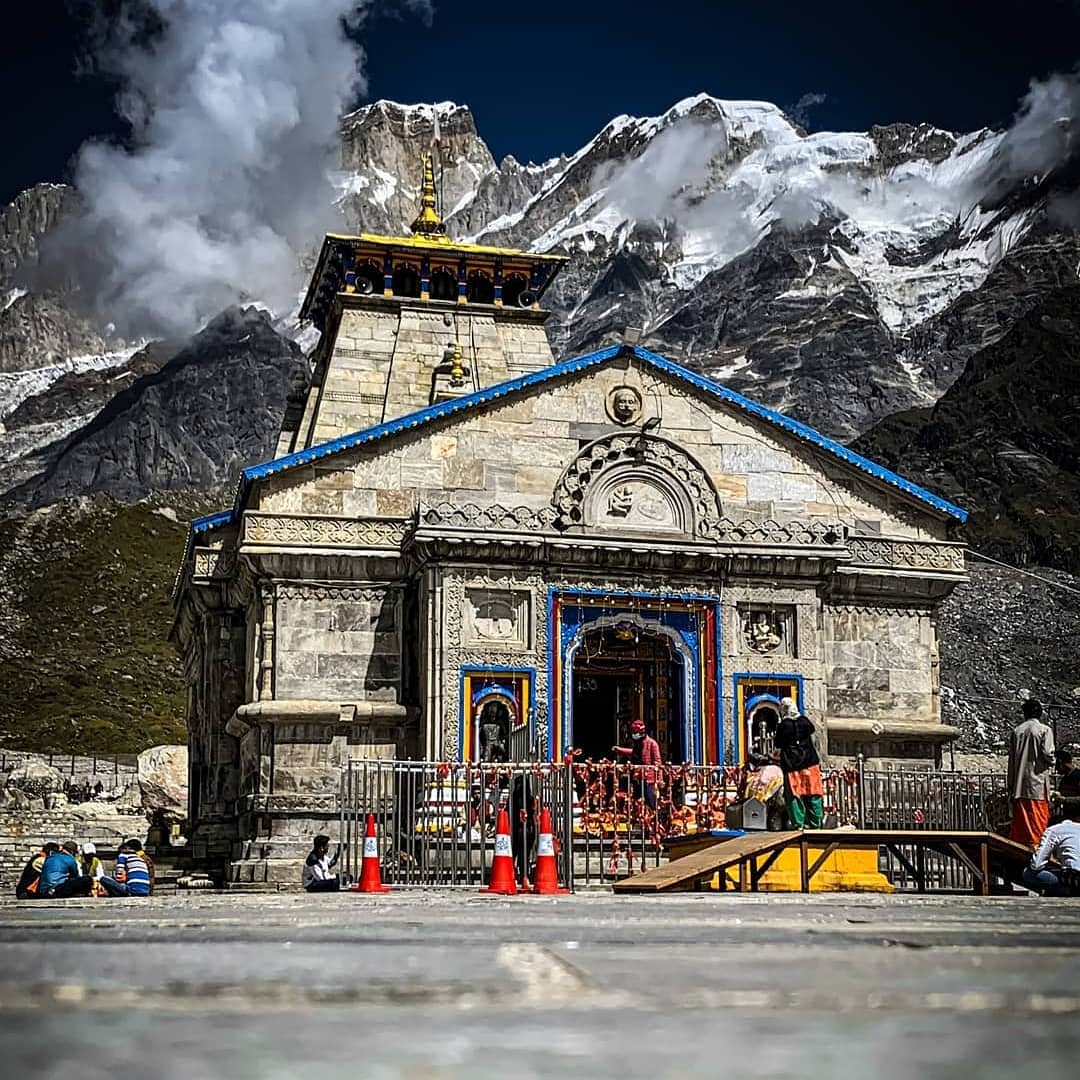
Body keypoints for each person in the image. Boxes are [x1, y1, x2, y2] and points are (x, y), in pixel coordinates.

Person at [1007, 698, 1055, 847]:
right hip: (1037, 786)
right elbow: (1048, 754)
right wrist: (1053, 760)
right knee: (1037, 827)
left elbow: (1011, 761)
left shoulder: (1017, 731)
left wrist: (1011, 785)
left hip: (1019, 787)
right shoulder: (1044, 730)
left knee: (1022, 827)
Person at [773, 698, 824, 829]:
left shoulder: (784, 726)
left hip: (792, 765)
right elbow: (811, 731)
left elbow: (778, 743)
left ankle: (798, 824)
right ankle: (816, 824)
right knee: (813, 794)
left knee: (795, 796)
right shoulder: (805, 722)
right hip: (810, 763)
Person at [1021, 810, 1080, 896]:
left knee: (1028, 873)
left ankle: (1064, 890)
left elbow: (1036, 865)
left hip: (1075, 879)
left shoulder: (1053, 830)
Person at [613, 719, 662, 810]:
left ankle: (652, 819)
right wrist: (620, 750)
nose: (634, 734)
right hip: (637, 777)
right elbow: (634, 753)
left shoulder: (652, 744)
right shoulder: (638, 743)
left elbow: (657, 762)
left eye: (635, 732)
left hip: (649, 779)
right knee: (637, 800)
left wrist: (659, 779)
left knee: (650, 801)